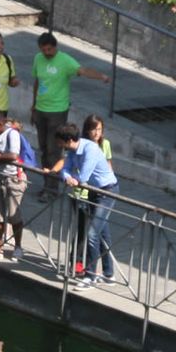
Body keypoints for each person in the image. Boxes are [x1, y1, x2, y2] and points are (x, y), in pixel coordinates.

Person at [29, 33, 105, 196]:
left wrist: (101, 76)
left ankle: (52, 188)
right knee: (43, 148)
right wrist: (34, 106)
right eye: (43, 50)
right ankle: (47, 181)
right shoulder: (38, 59)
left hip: (57, 111)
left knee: (54, 149)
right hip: (41, 110)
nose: (46, 53)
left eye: (49, 49)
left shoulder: (65, 60)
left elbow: (82, 70)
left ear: (55, 47)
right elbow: (37, 82)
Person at [57, 121, 119, 286]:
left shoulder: (90, 149)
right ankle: (109, 273)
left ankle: (90, 276)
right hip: (93, 191)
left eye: (60, 141)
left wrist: (74, 179)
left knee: (92, 234)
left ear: (69, 140)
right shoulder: (72, 150)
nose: (59, 145)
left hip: (107, 192)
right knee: (102, 233)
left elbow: (83, 175)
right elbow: (65, 169)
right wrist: (66, 177)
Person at [0, 110, 28, 261]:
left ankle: (18, 247)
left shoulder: (11, 134)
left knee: (13, 215)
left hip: (13, 179)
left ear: (0, 124)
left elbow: (13, 156)